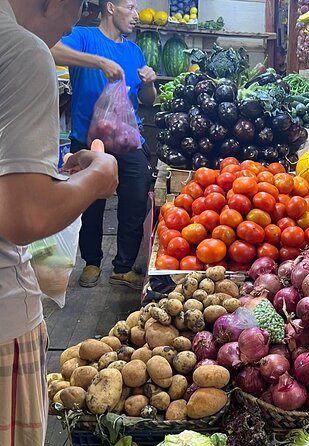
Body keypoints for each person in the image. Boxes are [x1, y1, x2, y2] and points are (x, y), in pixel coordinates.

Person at [0, 1, 119, 444]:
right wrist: (98, 176)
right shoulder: (21, 50)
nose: (57, 40)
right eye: (70, 19)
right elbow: (25, 215)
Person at [51, 0, 155, 290]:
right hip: (89, 140)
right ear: (111, 7)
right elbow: (50, 49)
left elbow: (147, 101)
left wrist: (149, 83)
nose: (136, 16)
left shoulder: (134, 51)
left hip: (128, 140)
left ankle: (122, 267)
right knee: (90, 203)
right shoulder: (84, 37)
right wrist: (97, 61)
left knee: (135, 199)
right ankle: (92, 262)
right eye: (131, 7)